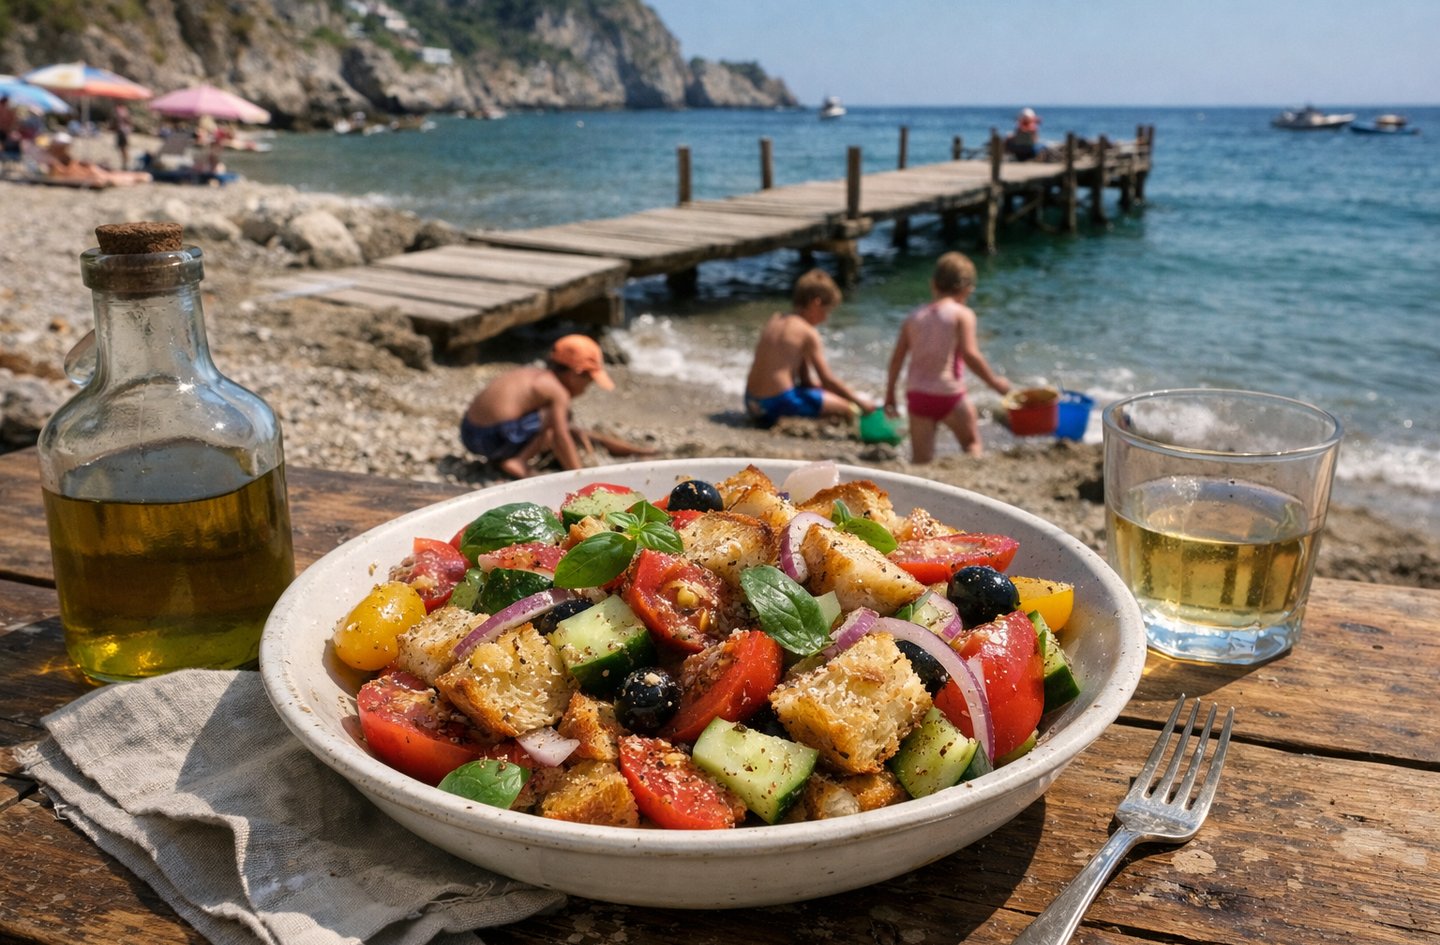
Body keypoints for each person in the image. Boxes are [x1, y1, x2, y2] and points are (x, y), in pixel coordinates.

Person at [460, 334, 655, 479]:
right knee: (559, 419)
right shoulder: (557, 391)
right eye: (588, 381)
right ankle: (517, 462)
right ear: (575, 373)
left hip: (469, 433)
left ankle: (637, 451)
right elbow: (561, 436)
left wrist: (637, 451)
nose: (587, 389)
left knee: (560, 422)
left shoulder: (534, 375)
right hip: (492, 439)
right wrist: (579, 476)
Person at [884, 252, 1011, 462]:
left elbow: (896, 361)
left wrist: (890, 395)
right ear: (967, 289)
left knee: (921, 461)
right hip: (949, 395)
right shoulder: (962, 314)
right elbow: (970, 355)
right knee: (972, 444)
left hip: (918, 397)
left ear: (933, 283)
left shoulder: (913, 318)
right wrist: (995, 383)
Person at [744, 269, 876, 428]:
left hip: (751, 402)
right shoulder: (808, 332)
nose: (826, 318)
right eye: (827, 311)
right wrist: (860, 402)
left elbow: (805, 380)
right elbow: (827, 380)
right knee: (848, 410)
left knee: (822, 397)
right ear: (816, 303)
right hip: (775, 404)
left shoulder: (776, 319)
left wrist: (820, 389)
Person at [112, 104, 132, 169]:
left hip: (122, 132)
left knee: (123, 148)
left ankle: (125, 163)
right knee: (122, 148)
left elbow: (126, 120)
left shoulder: (121, 110)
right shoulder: (122, 110)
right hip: (122, 131)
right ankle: (125, 163)